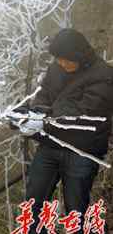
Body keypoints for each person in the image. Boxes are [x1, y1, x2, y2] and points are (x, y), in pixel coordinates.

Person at [15, 28, 113, 234]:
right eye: (59, 59)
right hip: (50, 144)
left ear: (79, 55)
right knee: (34, 200)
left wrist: (44, 119)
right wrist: (32, 115)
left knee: (76, 207)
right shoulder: (56, 69)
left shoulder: (104, 75)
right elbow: (43, 96)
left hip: (82, 150)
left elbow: (86, 112)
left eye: (66, 59)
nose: (62, 63)